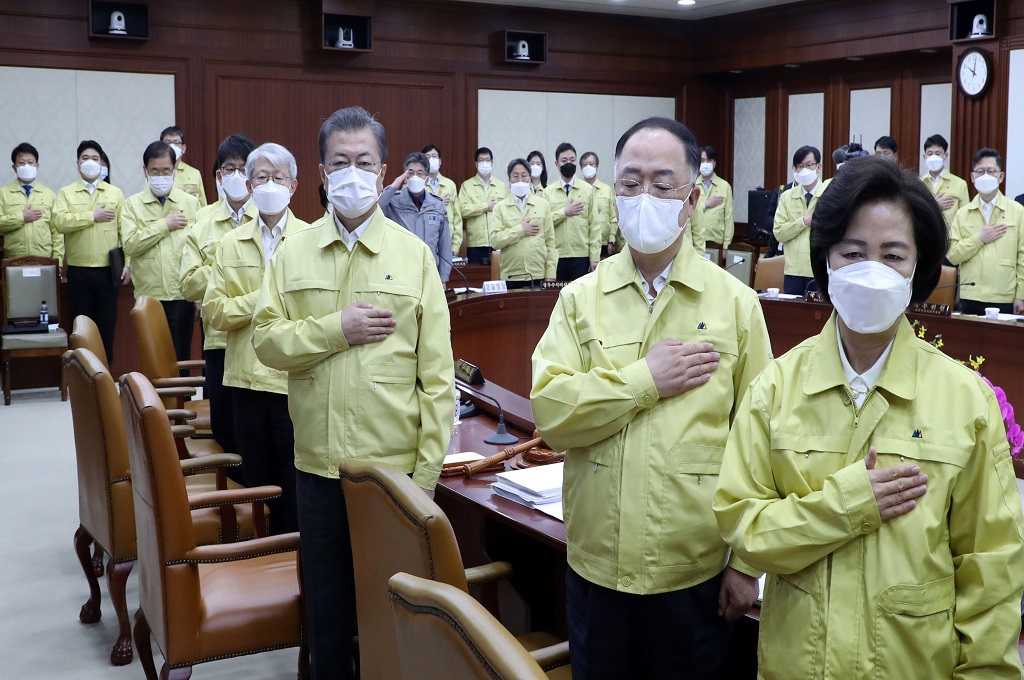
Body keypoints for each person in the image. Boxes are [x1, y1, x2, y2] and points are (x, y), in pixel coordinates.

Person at [714, 156, 1024, 678]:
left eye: (893, 255)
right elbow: (744, 527)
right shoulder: (776, 388)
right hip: (799, 663)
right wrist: (846, 505)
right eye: (853, 253)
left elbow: (990, 568)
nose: (872, 271)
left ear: (919, 267)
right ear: (827, 260)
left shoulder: (966, 400)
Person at [531, 117, 772, 679]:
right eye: (631, 183)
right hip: (598, 569)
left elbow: (759, 442)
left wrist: (746, 562)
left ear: (692, 199)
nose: (646, 197)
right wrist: (646, 381)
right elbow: (554, 413)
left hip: (694, 572)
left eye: (663, 185)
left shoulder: (738, 306)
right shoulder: (578, 299)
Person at [251, 106, 455, 680]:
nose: (352, 172)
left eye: (364, 162)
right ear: (319, 170)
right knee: (328, 609)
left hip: (393, 473)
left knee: (396, 608)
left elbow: (437, 381)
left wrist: (425, 481)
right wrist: (334, 329)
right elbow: (266, 342)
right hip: (318, 465)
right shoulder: (293, 251)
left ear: (384, 169)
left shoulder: (413, 256)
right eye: (340, 162)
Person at [204, 141, 309, 535]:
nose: (269, 185)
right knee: (257, 483)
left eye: (277, 178)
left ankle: (294, 565)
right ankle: (261, 560)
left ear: (293, 185)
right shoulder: (230, 243)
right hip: (245, 380)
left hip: (293, 382)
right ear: (248, 184)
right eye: (261, 178)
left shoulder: (310, 239)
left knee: (296, 481)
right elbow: (214, 311)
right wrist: (263, 297)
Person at [179, 133, 258, 458]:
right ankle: (236, 504)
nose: (237, 176)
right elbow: (188, 283)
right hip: (220, 341)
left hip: (263, 341)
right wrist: (231, 270)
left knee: (260, 432)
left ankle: (262, 501)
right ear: (218, 176)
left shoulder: (271, 218)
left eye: (244, 168)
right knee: (227, 431)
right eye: (230, 168)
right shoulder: (202, 221)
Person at [122, 140, 200, 363]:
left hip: (181, 294)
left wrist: (199, 298)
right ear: (145, 171)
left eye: (166, 171)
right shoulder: (132, 205)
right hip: (149, 297)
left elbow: (199, 249)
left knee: (180, 360)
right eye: (155, 171)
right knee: (153, 360)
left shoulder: (190, 203)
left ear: (175, 170)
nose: (161, 176)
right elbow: (130, 244)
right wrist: (163, 225)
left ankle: (183, 400)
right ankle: (152, 400)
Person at [53, 140, 129, 362]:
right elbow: (59, 222)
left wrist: (128, 264)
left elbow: (125, 232)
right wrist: (91, 217)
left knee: (106, 325)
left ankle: (105, 371)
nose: (90, 163)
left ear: (102, 163)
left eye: (95, 159)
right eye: (85, 158)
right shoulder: (66, 193)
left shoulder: (115, 193)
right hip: (78, 271)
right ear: (78, 163)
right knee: (80, 326)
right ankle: (83, 373)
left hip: (107, 272)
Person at [947, 147, 1024, 315]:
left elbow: (1022, 255)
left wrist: (1021, 295)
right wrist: (979, 238)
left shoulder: (1017, 211)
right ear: (973, 177)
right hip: (971, 295)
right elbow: (952, 255)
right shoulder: (962, 213)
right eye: (981, 172)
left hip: (1004, 296)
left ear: (1001, 176)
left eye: (991, 171)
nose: (986, 176)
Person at [379, 151, 451, 284]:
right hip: (399, 272)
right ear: (405, 177)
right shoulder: (393, 201)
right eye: (410, 173)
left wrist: (443, 279)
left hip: (429, 274)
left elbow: (444, 245)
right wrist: (394, 186)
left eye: (420, 173)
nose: (415, 177)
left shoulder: (437, 205)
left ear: (427, 178)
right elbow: (374, 210)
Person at [489, 158, 557, 288]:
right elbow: (494, 241)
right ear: (509, 181)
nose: (520, 180)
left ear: (530, 179)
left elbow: (550, 242)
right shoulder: (500, 208)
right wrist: (520, 230)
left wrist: (551, 274)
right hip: (511, 276)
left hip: (538, 274)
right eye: (515, 176)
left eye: (524, 175)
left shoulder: (543, 205)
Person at [543, 142, 600, 281]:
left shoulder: (587, 190)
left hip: (581, 256)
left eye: (572, 160)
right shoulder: (548, 193)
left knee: (581, 299)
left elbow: (595, 226)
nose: (569, 163)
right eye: (564, 160)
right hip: (556, 256)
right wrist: (564, 212)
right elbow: (543, 223)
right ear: (557, 164)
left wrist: (595, 258)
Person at [0, 143, 63, 264]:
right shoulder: (3, 193)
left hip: (45, 259)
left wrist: (58, 262)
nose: (26, 166)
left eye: (30, 162)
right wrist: (21, 217)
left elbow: (57, 232)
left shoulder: (49, 194)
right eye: (22, 163)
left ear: (37, 166)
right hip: (14, 260)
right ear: (14, 167)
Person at [773, 145, 823, 295]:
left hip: (819, 271)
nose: (805, 170)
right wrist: (803, 222)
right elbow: (779, 232)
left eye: (809, 165)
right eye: (800, 166)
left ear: (818, 167)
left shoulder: (828, 195)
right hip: (793, 271)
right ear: (794, 169)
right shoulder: (787, 197)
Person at [457, 146, 507, 263]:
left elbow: (507, 212)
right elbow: (462, 210)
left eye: (487, 160)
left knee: (497, 277)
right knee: (477, 277)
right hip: (475, 243)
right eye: (481, 160)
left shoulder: (501, 186)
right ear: (476, 164)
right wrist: (485, 206)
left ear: (492, 163)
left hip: (497, 241)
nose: (485, 163)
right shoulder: (466, 185)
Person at [920, 134, 970, 226]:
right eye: (930, 154)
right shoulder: (919, 183)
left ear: (945, 156)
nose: (933, 157)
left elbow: (966, 217)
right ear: (925, 157)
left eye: (938, 153)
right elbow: (915, 213)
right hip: (925, 235)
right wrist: (935, 206)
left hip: (951, 237)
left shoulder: (960, 184)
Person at [422, 144, 462, 256]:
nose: (431, 160)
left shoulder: (450, 185)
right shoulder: (418, 185)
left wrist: (456, 245)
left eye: (434, 156)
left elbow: (457, 217)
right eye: (428, 156)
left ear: (440, 161)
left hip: (446, 241)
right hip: (425, 241)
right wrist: (438, 202)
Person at [694, 145, 735, 249]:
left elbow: (728, 218)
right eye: (702, 161)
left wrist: (726, 246)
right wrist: (705, 205)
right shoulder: (692, 185)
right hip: (696, 244)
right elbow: (687, 213)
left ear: (714, 163)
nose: (705, 164)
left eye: (708, 160)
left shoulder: (725, 186)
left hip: (717, 244)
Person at [580, 151, 619, 257]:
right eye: (585, 165)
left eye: (591, 164)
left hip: (604, 242)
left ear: (597, 166)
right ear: (581, 168)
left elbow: (613, 217)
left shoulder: (607, 190)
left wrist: (611, 240)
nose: (588, 167)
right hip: (583, 243)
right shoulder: (577, 190)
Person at [160, 125, 208, 207]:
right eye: (167, 143)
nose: (172, 147)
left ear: (183, 148)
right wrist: (181, 197)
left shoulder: (194, 173)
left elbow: (202, 206)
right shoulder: (156, 173)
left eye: (176, 143)